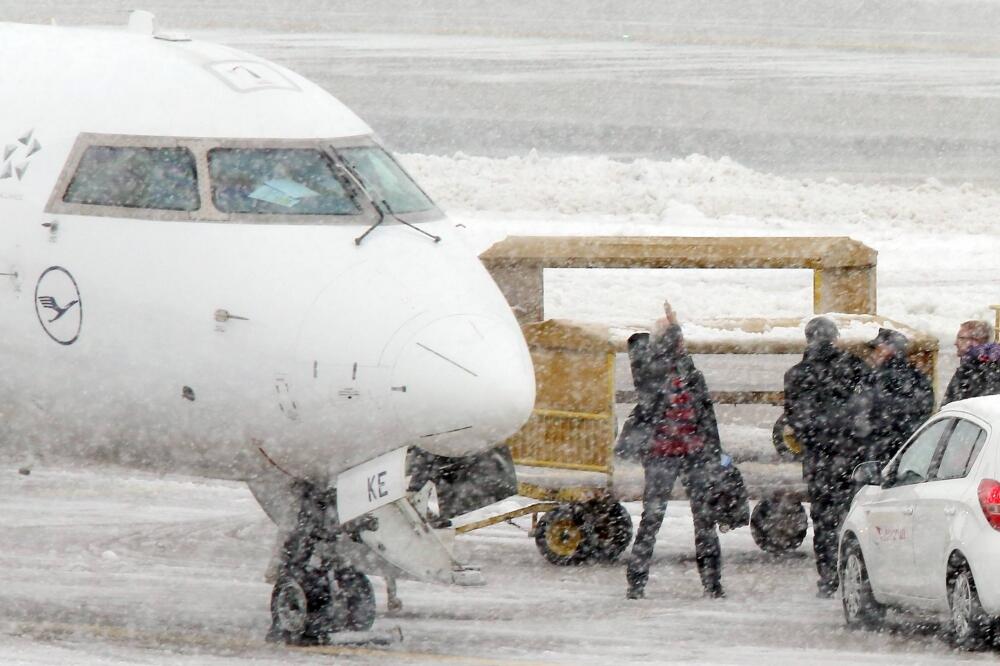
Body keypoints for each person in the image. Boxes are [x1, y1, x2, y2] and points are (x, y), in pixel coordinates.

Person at [622, 307, 725, 600]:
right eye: (679, 341)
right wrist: (665, 332)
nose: (682, 346)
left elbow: (707, 417)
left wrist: (715, 455)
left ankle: (711, 582)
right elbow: (635, 343)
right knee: (658, 519)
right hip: (664, 455)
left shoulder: (687, 373)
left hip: (688, 455)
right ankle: (640, 582)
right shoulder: (651, 373)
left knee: (695, 520)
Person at [783, 316, 872, 598]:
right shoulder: (855, 365)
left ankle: (827, 577)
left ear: (808, 339)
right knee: (852, 516)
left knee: (823, 520)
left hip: (818, 459)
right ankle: (853, 573)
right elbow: (869, 404)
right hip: (850, 454)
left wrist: (812, 439)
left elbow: (794, 417)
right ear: (835, 338)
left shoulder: (796, 374)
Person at [865, 328, 934, 467]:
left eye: (878, 349)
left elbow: (875, 407)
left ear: (891, 350)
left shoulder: (883, 376)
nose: (873, 354)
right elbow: (926, 405)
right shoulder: (916, 375)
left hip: (885, 449)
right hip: (910, 447)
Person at [943, 320, 1000, 405]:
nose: (955, 343)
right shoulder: (991, 363)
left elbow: (954, 407)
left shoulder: (970, 369)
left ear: (975, 341)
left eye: (961, 338)